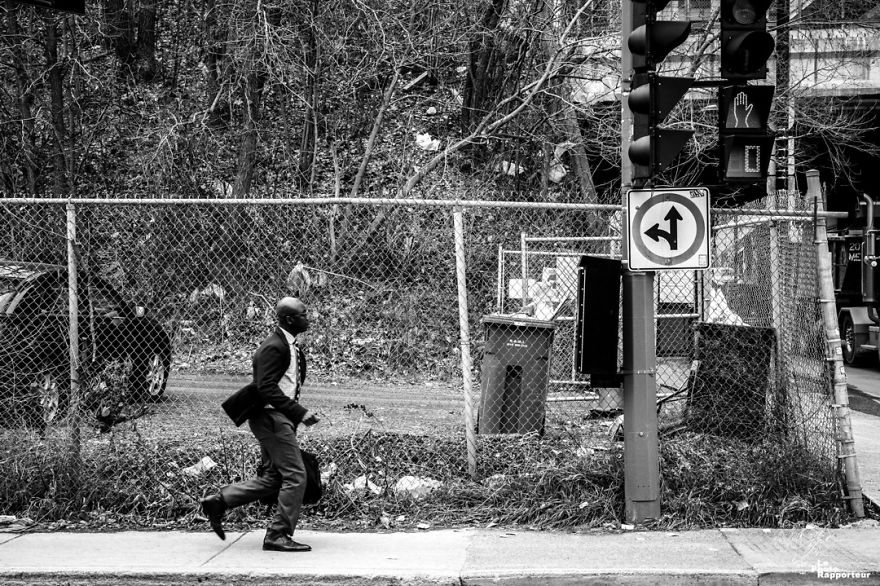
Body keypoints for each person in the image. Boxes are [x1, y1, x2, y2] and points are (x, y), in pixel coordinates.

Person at [201, 296, 320, 552]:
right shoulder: (274, 347)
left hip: (278, 419)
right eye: (303, 314)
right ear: (289, 319)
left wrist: (293, 416)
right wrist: (299, 412)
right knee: (296, 476)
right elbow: (265, 388)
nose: (308, 318)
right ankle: (278, 534)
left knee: (273, 478)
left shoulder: (289, 345)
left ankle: (219, 501)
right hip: (271, 419)